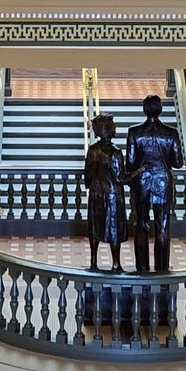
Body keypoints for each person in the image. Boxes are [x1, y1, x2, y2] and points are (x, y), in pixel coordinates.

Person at [124, 94, 183, 273]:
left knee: (141, 224)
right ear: (160, 109)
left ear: (144, 110)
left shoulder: (134, 133)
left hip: (142, 182)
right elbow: (178, 163)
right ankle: (162, 267)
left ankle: (142, 267)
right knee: (163, 225)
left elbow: (131, 163)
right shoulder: (171, 133)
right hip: (163, 181)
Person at [84, 114, 126, 271]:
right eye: (112, 125)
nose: (115, 127)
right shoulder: (115, 152)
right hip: (113, 195)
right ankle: (116, 263)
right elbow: (120, 177)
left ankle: (93, 261)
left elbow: (87, 174)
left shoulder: (92, 150)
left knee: (95, 227)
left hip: (96, 192)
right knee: (114, 229)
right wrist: (137, 172)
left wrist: (91, 185)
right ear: (106, 129)